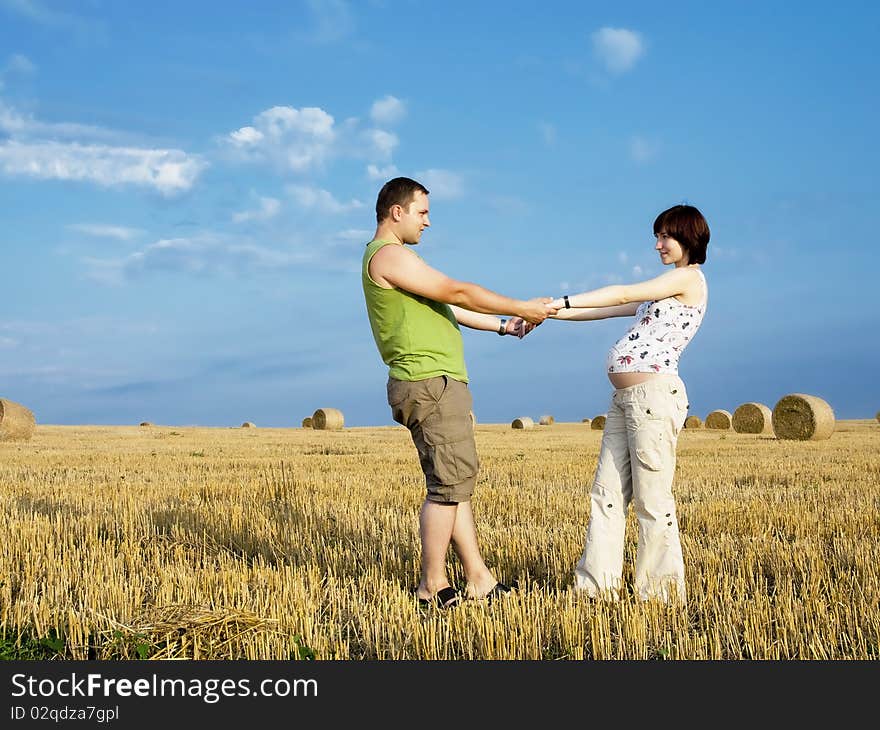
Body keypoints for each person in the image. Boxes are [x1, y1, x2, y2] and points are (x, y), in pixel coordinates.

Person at [362, 176, 555, 608]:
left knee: (454, 484)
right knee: (447, 488)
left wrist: (505, 325)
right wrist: (520, 305)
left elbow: (449, 307)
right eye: (423, 212)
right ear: (398, 212)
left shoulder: (399, 262)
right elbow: (458, 291)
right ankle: (432, 585)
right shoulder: (390, 255)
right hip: (430, 384)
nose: (428, 222)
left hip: (433, 382)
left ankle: (478, 577)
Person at [549, 204, 710, 603]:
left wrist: (564, 298)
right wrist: (546, 312)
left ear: (688, 237)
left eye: (665, 237)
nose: (658, 245)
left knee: (653, 500)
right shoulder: (664, 290)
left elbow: (622, 291)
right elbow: (606, 309)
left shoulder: (689, 280)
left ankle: (660, 594)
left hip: (654, 398)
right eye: (656, 237)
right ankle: (595, 589)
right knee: (605, 494)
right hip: (626, 400)